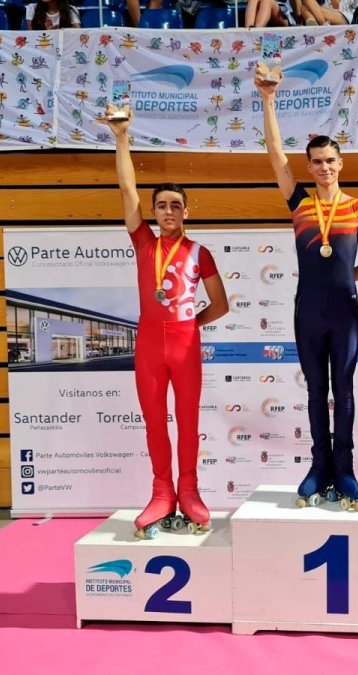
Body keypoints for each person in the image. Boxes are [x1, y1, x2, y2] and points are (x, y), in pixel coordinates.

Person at [255, 63, 358, 512]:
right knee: (314, 391)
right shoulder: (299, 202)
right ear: (309, 167)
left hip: (343, 311)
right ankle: (318, 467)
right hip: (307, 310)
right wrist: (268, 98)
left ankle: (345, 469)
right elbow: (274, 153)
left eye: (331, 160)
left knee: (343, 391)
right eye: (317, 162)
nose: (324, 167)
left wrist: (344, 280)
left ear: (340, 163)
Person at [104, 105, 229, 539]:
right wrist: (122, 138)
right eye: (162, 205)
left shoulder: (200, 252)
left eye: (176, 205)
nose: (169, 211)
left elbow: (221, 305)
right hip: (149, 346)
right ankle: (161, 492)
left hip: (184, 342)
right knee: (154, 420)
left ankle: (189, 491)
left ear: (187, 212)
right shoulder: (143, 242)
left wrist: (190, 324)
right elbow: (126, 188)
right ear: (154, 212)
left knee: (189, 420)